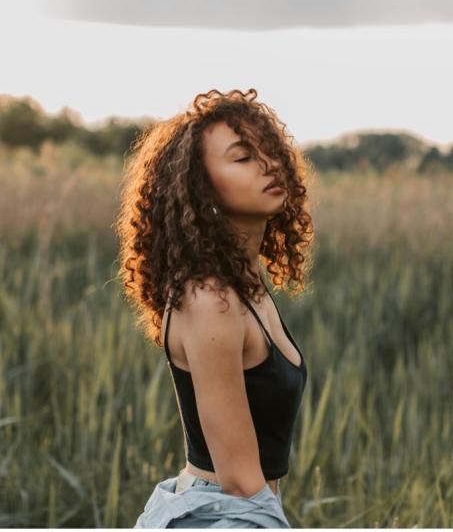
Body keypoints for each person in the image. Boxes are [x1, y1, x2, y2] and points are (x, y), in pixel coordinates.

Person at [115, 88, 315, 527]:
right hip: (227, 513)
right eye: (243, 157)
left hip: (243, 510)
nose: (269, 165)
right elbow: (240, 482)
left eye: (270, 150)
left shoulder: (245, 283)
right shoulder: (209, 299)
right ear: (200, 186)